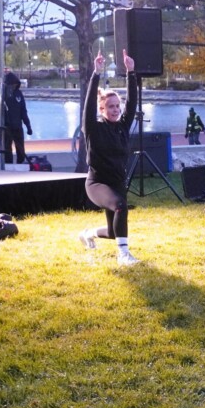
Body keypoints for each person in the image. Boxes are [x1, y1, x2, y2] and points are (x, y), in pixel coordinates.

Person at [77, 49, 141, 267]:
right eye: (110, 107)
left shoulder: (122, 126)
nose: (115, 110)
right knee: (121, 206)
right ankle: (124, 255)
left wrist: (131, 72)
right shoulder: (93, 128)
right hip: (97, 183)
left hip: (117, 182)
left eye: (117, 106)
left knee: (114, 231)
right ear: (102, 108)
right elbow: (87, 107)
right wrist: (96, 73)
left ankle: (88, 233)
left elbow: (132, 104)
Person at [0, 71, 33, 164]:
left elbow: (23, 111)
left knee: (20, 149)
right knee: (7, 149)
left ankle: (20, 163)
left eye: (15, 85)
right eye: (12, 85)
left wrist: (28, 126)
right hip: (5, 127)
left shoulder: (19, 94)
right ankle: (8, 166)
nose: (13, 87)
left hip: (17, 126)